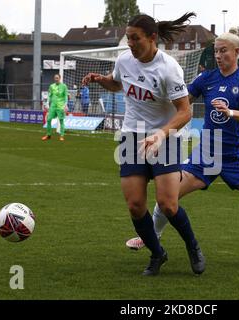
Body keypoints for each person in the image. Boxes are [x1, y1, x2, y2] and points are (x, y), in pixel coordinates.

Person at [126, 27, 239, 271]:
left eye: (223, 51)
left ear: (237, 52)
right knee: (168, 197)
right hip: (207, 152)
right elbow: (181, 104)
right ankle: (151, 237)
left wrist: (231, 112)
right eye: (216, 51)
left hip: (236, 154)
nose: (218, 55)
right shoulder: (206, 78)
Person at [82, 12, 205, 276]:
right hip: (132, 135)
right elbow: (118, 84)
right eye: (128, 38)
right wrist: (103, 81)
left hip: (166, 137)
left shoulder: (169, 68)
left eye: (135, 38)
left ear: (152, 38)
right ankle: (157, 253)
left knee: (168, 204)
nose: (130, 43)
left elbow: (185, 112)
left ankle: (193, 246)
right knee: (136, 205)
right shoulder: (125, 59)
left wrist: (161, 134)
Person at [42, 74, 68, 141]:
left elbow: (65, 96)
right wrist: (47, 103)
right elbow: (49, 95)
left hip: (60, 106)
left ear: (60, 78)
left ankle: (62, 136)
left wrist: (65, 105)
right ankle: (48, 135)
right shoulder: (51, 86)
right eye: (55, 78)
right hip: (53, 106)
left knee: (61, 121)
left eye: (57, 78)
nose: (56, 79)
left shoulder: (64, 86)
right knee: (48, 120)